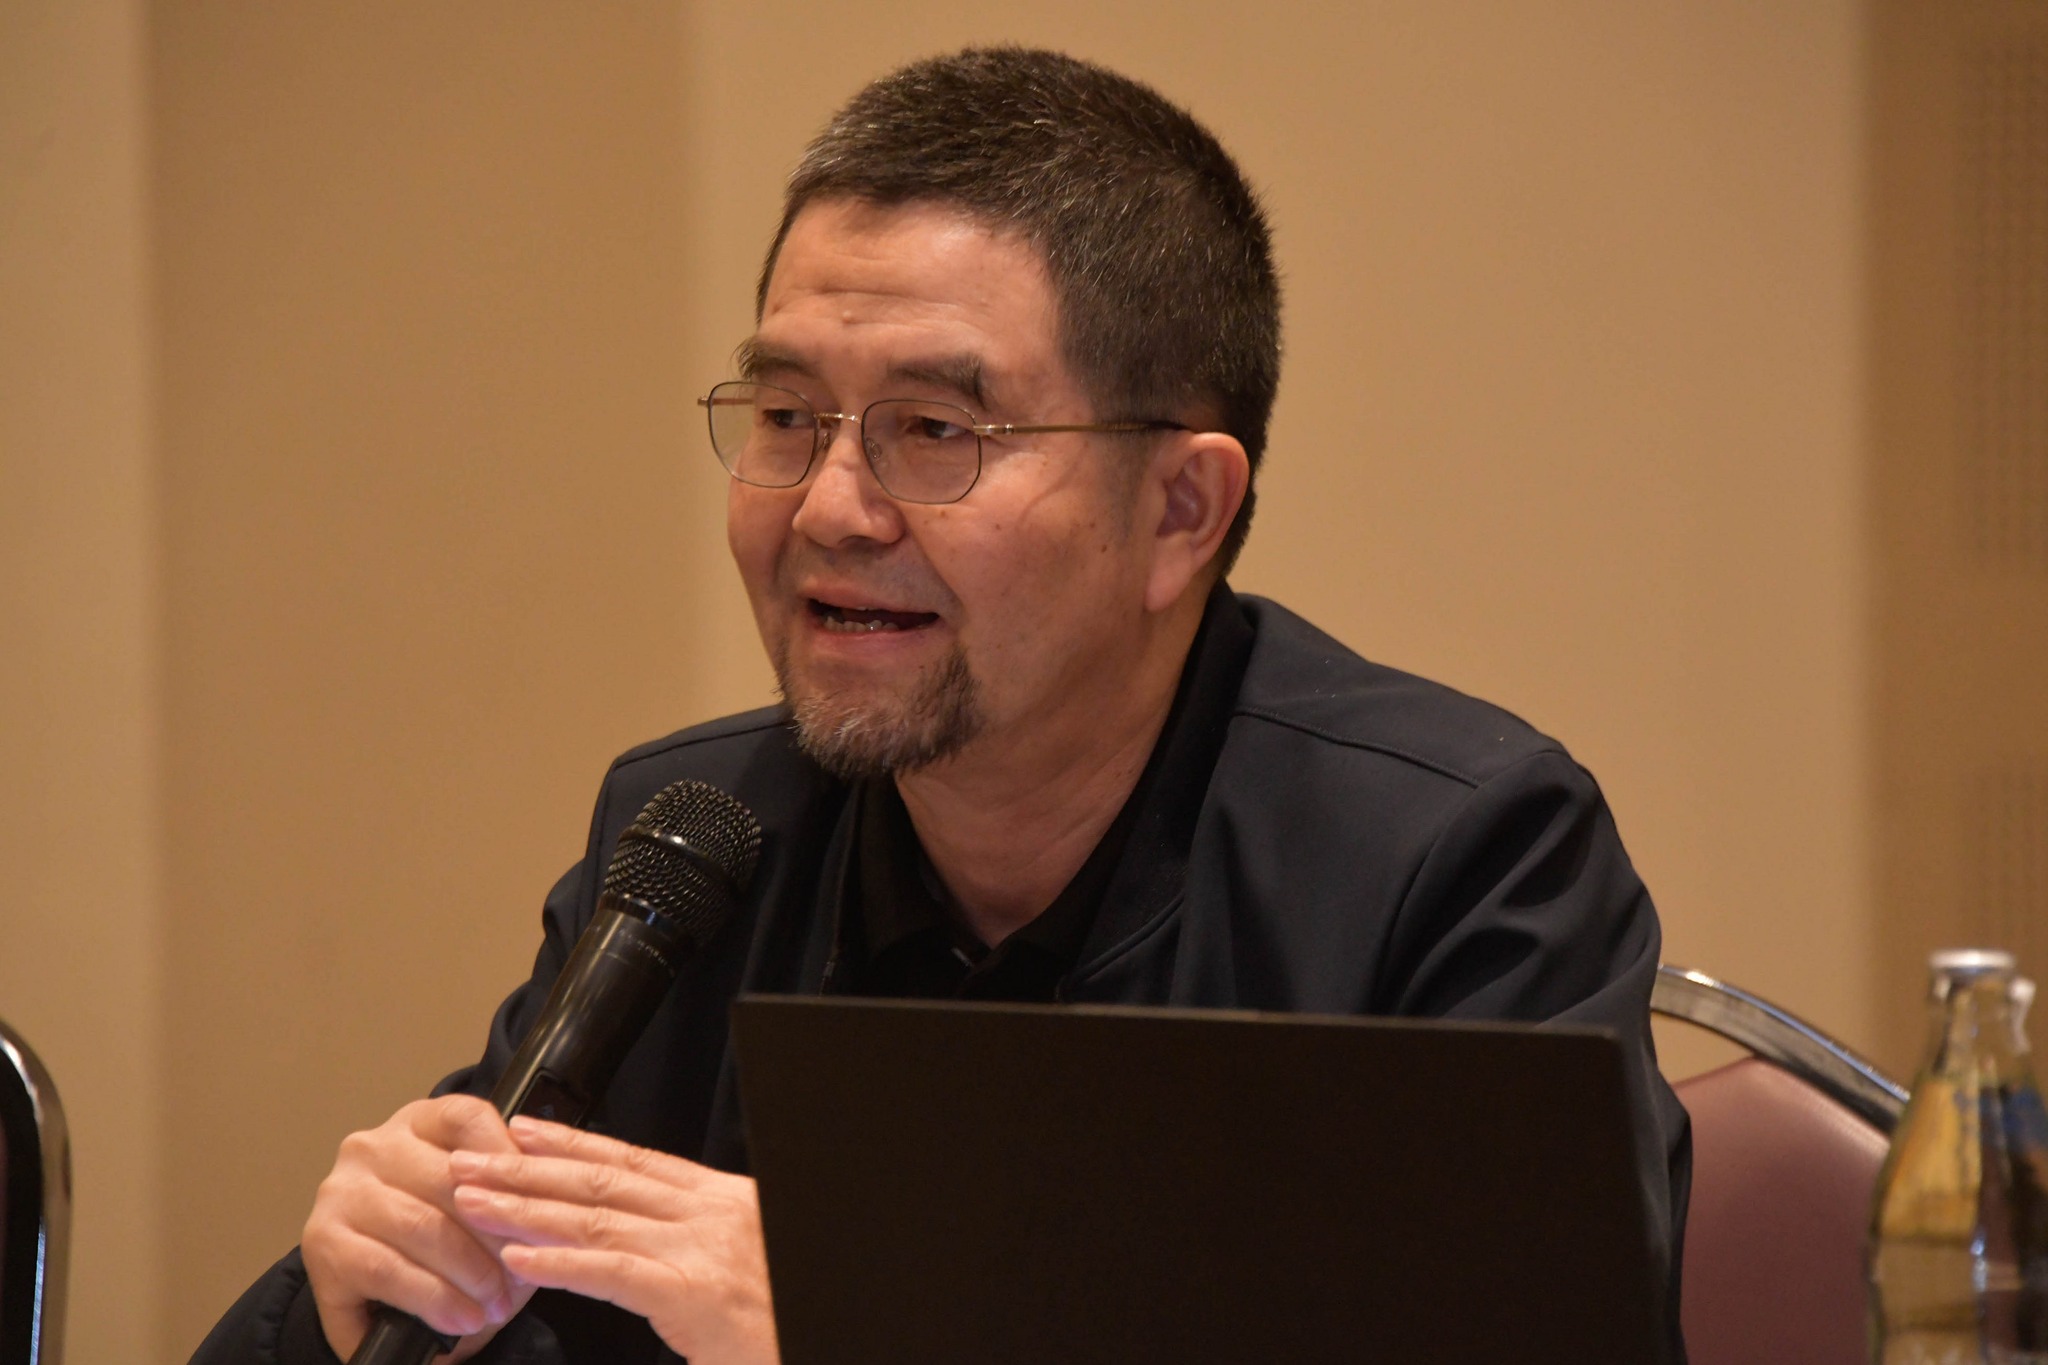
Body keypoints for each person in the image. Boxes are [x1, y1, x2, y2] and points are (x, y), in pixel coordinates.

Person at [193, 46, 1691, 1365]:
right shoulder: (699, 846)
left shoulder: (1453, 864)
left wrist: (876, 1322)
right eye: (788, 415)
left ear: (1181, 510)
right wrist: (349, 1310)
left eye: (933, 430)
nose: (828, 506)